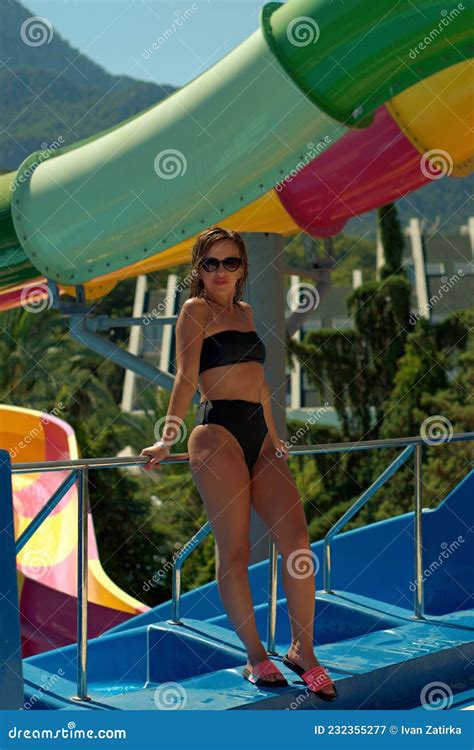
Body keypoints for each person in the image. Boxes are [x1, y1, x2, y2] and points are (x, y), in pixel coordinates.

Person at [140, 226, 337, 700]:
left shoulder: (247, 314)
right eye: (212, 264)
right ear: (198, 270)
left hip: (260, 437)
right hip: (217, 432)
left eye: (231, 263)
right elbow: (186, 378)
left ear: (243, 267)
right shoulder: (194, 311)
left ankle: (302, 651)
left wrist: (274, 437)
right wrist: (167, 438)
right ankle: (255, 657)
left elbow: (261, 383)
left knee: (298, 543)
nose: (222, 271)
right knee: (235, 551)